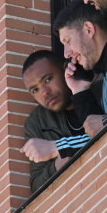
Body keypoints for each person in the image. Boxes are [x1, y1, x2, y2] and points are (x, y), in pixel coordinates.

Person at [54, 0, 107, 137]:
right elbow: (98, 134)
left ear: (89, 29)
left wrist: (58, 147)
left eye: (68, 41)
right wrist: (80, 90)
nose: (66, 53)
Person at [20, 50, 91, 191]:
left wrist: (58, 148)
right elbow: (36, 184)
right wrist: (58, 164)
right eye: (35, 90)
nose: (44, 92)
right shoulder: (37, 123)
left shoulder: (97, 91)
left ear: (65, 70)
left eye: (47, 80)